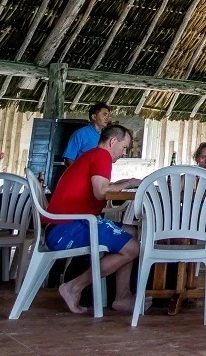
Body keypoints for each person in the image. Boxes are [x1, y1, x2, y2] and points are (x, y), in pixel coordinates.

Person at [46, 124, 143, 314]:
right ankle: (74, 287)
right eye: (124, 147)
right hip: (66, 229)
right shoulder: (101, 155)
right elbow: (101, 192)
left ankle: (122, 297)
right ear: (113, 141)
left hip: (62, 225)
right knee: (134, 247)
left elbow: (101, 187)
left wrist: (126, 182)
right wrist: (130, 183)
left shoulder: (91, 156)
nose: (124, 153)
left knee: (131, 231)